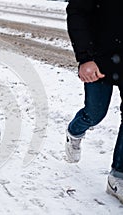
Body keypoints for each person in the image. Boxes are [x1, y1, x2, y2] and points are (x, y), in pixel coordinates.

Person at [66, 0, 123, 203]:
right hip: (99, 58)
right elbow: (77, 12)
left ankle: (118, 177)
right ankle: (75, 130)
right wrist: (85, 57)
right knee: (95, 112)